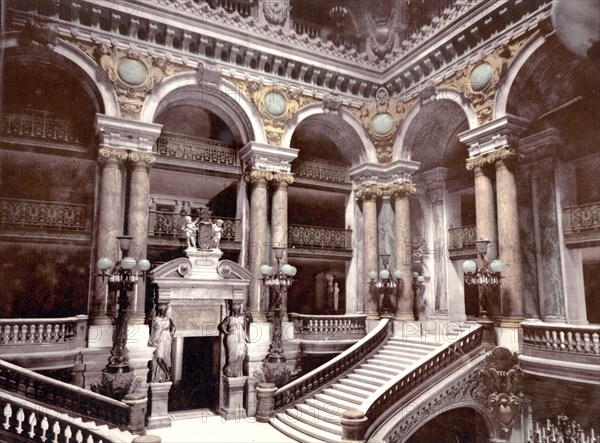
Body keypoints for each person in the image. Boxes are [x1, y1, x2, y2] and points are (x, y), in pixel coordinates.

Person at [218, 304, 248, 377]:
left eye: (237, 309)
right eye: (235, 309)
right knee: (231, 355)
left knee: (241, 353)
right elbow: (222, 325)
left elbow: (246, 328)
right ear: (233, 310)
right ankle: (230, 371)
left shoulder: (242, 318)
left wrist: (247, 337)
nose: (236, 311)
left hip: (241, 337)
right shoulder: (230, 318)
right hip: (232, 337)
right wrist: (226, 333)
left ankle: (236, 371)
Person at [148, 304, 176, 383]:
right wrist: (151, 340)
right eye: (162, 310)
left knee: (164, 357)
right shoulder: (155, 319)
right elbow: (151, 330)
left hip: (166, 340)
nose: (163, 312)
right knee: (159, 358)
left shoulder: (168, 319)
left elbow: (173, 328)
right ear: (159, 311)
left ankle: (165, 375)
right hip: (157, 341)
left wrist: (170, 335)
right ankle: (167, 373)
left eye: (165, 310)